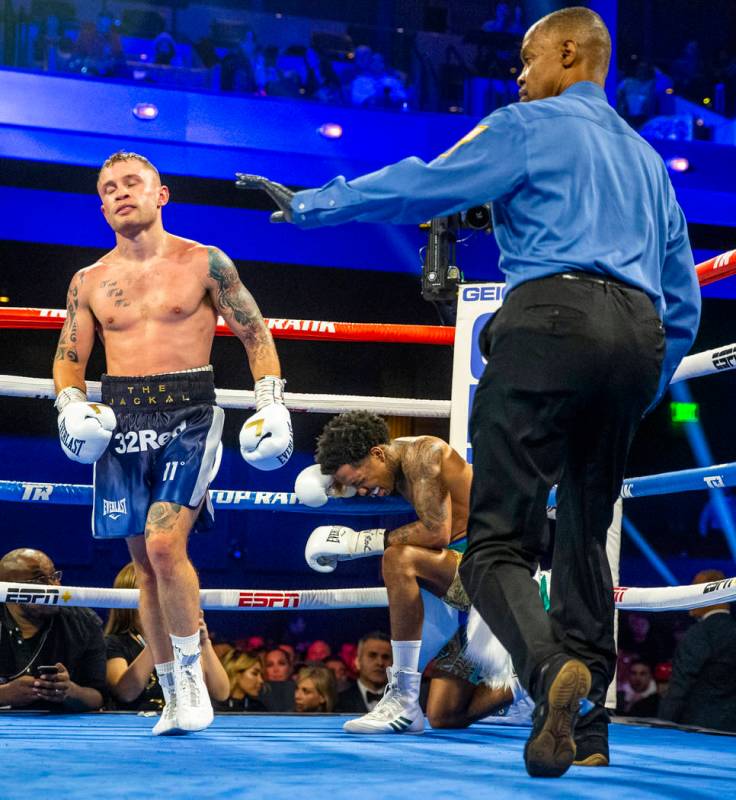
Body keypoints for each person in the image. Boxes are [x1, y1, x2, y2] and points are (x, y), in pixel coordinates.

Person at [239, 6, 701, 777]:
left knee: (492, 547)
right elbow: (682, 297)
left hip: (550, 320)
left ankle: (553, 672)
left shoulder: (530, 126)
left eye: (525, 59)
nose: (517, 77)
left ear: (566, 52)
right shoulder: (650, 163)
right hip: (638, 338)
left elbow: (429, 182)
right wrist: (647, 380)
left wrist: (319, 204)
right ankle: (588, 737)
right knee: (587, 534)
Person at [52, 150, 293, 735]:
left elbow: (253, 332)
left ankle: (192, 683)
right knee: (141, 564)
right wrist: (71, 405)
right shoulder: (88, 281)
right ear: (101, 202)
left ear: (162, 195)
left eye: (132, 183)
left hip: (190, 411)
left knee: (164, 544)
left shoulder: (204, 262)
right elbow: (70, 359)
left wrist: (271, 402)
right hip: (120, 414)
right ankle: (175, 693)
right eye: (108, 187)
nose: (120, 193)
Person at [298, 412, 529, 734]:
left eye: (360, 482)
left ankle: (404, 696)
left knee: (398, 559)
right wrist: (333, 483)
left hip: (494, 567)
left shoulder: (425, 455)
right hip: (459, 577)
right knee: (444, 714)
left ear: (378, 453)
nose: (363, 492)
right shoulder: (390, 466)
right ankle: (528, 680)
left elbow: (436, 533)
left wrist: (359, 541)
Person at [104, 562, 229, 710]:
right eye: (156, 593)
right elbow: (125, 694)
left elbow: (221, 693)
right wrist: (159, 637)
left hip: (181, 723)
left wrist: (204, 642)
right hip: (133, 725)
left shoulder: (181, 641)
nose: (165, 600)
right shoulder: (115, 643)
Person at [0, 548, 106, 712]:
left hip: (65, 728)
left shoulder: (84, 622)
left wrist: (71, 691)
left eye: (54, 576)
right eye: (40, 580)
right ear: (7, 589)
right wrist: (4, 694)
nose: (55, 587)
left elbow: (99, 697)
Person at [659, 570, 736, 732]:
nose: (690, 597)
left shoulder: (699, 634)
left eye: (695, 590)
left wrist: (661, 726)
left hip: (698, 730)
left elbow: (681, 685)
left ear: (712, 596)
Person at [334, 631, 392, 713]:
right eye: (372, 655)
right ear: (358, 662)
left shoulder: (405, 702)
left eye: (385, 657)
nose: (380, 663)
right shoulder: (337, 701)